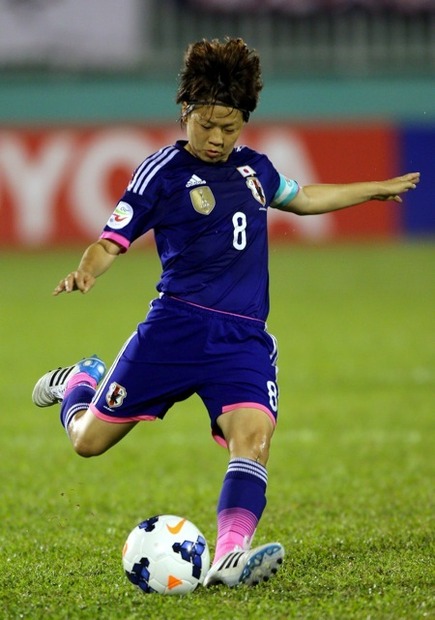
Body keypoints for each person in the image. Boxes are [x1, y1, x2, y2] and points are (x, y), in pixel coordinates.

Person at [32, 37, 420, 588]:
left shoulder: (254, 170)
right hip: (174, 329)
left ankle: (229, 558)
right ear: (184, 111)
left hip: (240, 339)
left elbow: (304, 196)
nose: (217, 139)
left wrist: (372, 189)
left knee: (255, 436)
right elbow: (111, 239)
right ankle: (82, 378)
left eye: (230, 128)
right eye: (208, 125)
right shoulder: (159, 173)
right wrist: (88, 269)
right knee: (87, 443)